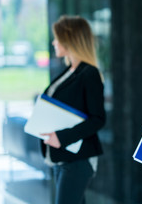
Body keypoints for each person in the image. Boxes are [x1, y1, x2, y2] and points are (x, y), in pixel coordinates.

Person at [40, 15, 106, 204]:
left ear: (70, 39)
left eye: (58, 38)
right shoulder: (70, 71)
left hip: (78, 159)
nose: (54, 42)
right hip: (63, 158)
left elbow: (98, 119)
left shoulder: (89, 73)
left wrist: (61, 137)